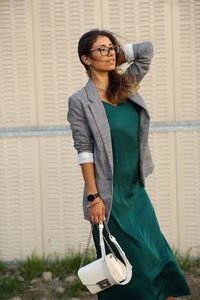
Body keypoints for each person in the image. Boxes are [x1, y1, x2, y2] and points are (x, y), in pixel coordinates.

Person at [67, 29, 191, 300]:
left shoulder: (126, 85)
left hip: (136, 192)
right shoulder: (80, 102)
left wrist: (115, 55)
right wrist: (93, 197)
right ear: (85, 59)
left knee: (157, 258)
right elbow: (84, 150)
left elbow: (146, 51)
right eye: (102, 49)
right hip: (109, 199)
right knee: (127, 271)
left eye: (112, 48)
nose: (110, 53)